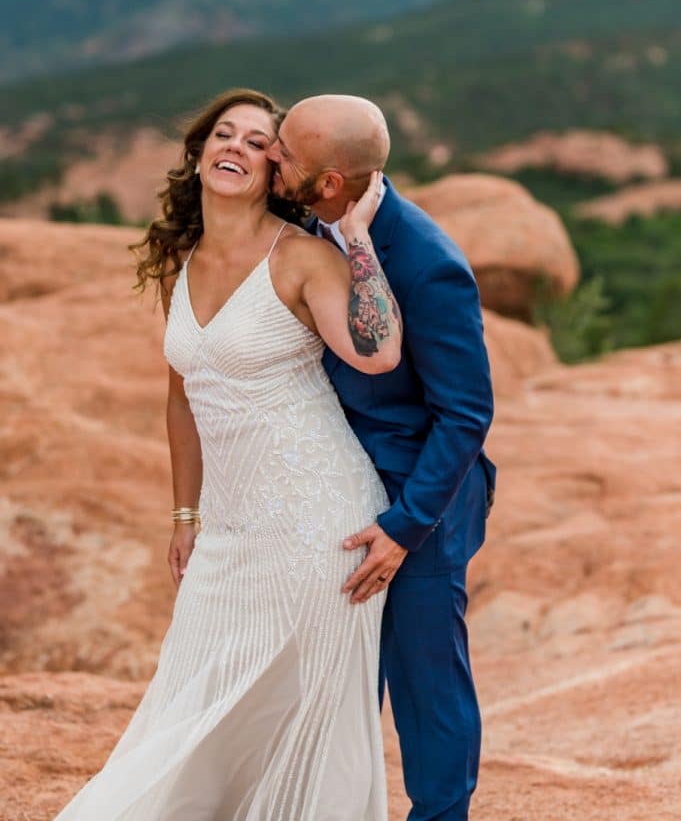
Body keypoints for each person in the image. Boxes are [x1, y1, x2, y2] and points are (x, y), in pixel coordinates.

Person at [52, 88, 403, 821]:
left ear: (275, 166)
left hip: (319, 524)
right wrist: (185, 513)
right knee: (191, 693)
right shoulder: (183, 260)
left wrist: (360, 239)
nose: (235, 148)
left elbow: (377, 354)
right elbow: (183, 398)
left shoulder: (301, 256)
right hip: (229, 529)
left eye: (255, 141)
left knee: (296, 714)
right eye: (224, 134)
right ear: (199, 151)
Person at [267, 94, 496, 821]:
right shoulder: (303, 224)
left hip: (413, 504)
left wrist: (404, 526)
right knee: (338, 677)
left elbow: (465, 412)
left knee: (426, 687)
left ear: (329, 181)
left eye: (286, 154)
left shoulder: (426, 263)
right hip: (329, 491)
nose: (273, 158)